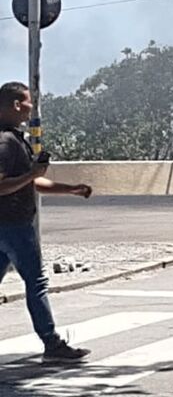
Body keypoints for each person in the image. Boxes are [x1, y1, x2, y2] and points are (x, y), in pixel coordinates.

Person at [0, 81, 93, 361]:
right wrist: (31, 174)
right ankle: (51, 343)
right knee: (37, 282)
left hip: (9, 226)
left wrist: (70, 189)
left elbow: (33, 182)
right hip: (13, 225)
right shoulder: (5, 141)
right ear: (17, 104)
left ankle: (51, 342)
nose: (32, 107)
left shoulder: (14, 138)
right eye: (29, 101)